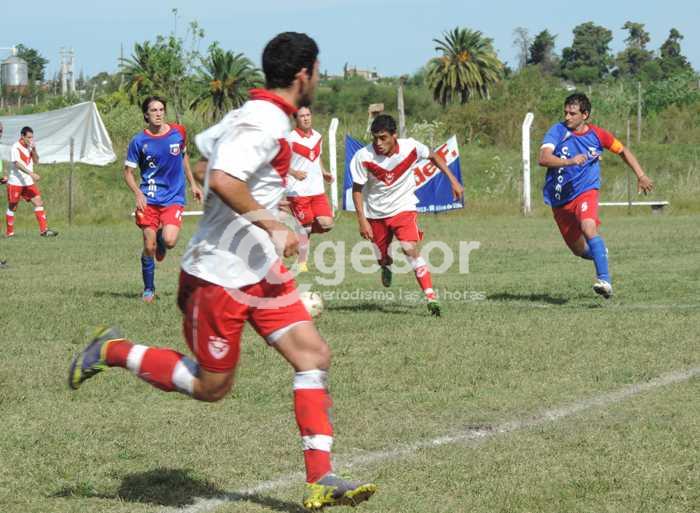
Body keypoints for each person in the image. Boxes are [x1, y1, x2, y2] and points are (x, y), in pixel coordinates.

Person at [69, 32, 376, 511]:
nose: (318, 79)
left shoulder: (253, 113)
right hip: (217, 278)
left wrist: (264, 201)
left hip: (260, 272)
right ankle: (111, 350)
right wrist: (272, 222)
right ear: (304, 74)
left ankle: (321, 478)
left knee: (312, 355)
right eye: (317, 71)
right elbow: (222, 177)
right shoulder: (263, 120)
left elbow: (203, 162)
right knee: (211, 387)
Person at [538, 93, 654, 298]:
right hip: (559, 200)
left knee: (588, 227)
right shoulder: (558, 131)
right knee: (579, 250)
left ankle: (604, 281)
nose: (567, 117)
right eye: (565, 112)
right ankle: (600, 253)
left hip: (586, 191)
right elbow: (543, 158)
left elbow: (622, 151)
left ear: (585, 115)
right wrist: (570, 161)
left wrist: (641, 175)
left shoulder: (599, 135)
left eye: (572, 113)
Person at [350, 114, 464, 317]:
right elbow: (357, 190)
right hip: (376, 213)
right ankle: (386, 265)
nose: (378, 143)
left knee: (409, 248)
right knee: (383, 258)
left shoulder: (411, 147)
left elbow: (433, 156)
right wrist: (362, 220)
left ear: (394, 135)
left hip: (404, 208)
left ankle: (431, 297)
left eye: (383, 138)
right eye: (375, 138)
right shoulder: (363, 157)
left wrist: (453, 181)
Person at [123, 96, 203, 303]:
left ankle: (161, 238)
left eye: (161, 110)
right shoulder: (139, 141)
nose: (158, 114)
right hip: (148, 199)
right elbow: (128, 173)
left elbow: (183, 156)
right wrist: (138, 193)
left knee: (169, 241)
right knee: (149, 248)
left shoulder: (178, 132)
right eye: (153, 110)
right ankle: (149, 289)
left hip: (173, 197)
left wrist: (193, 184)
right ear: (146, 115)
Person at [286, 106, 334, 272]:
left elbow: (316, 157)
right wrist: (294, 173)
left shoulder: (318, 136)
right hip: (297, 191)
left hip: (317, 190)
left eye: (308, 115)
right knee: (305, 227)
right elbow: (279, 163)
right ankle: (302, 263)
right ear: (296, 119)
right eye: (302, 116)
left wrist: (324, 172)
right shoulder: (289, 139)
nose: (306, 118)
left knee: (327, 224)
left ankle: (297, 231)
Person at [5, 126, 58, 238]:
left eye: (32, 137)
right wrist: (31, 174)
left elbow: (36, 161)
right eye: (29, 137)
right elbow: (17, 164)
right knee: (12, 207)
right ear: (22, 136)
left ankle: (44, 231)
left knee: (39, 202)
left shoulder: (29, 147)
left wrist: (34, 150)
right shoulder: (15, 147)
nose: (31, 139)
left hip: (28, 183)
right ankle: (10, 233)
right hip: (16, 182)